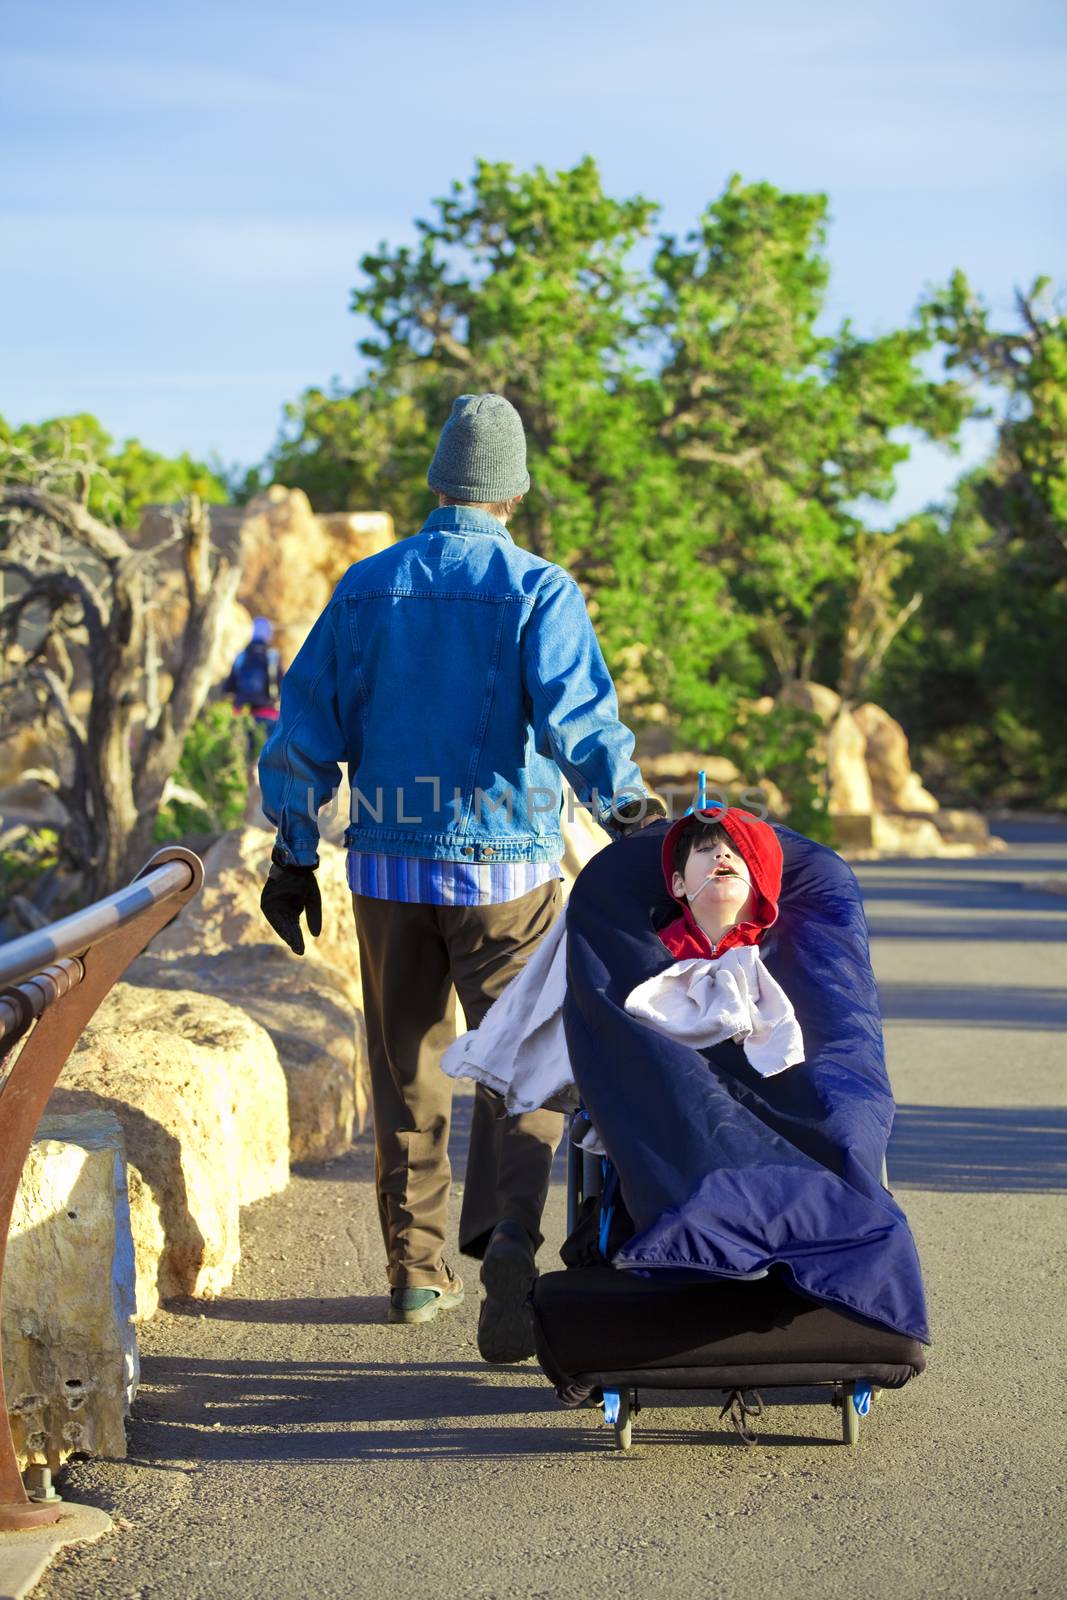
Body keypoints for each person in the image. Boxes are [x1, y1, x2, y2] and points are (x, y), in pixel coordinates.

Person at [256, 392, 665, 1360]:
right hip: (505, 871)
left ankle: (412, 1274)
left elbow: (304, 727)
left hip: (388, 868)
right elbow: (576, 719)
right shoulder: (536, 587)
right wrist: (628, 813)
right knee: (520, 1065)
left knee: (405, 1071)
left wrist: (292, 848)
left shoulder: (364, 587)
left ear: (438, 482)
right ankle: (513, 1243)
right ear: (513, 491)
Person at [222, 616, 284, 758]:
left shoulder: (241, 656)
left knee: (243, 758)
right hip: (268, 714)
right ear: (268, 634)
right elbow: (283, 685)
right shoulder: (272, 656)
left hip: (242, 714)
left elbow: (228, 687)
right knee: (265, 758)